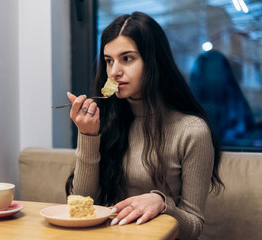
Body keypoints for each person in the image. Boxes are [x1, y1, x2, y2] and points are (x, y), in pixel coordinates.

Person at [65, 12, 223, 240]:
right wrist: (87, 135)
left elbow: (194, 228)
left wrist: (162, 203)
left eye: (127, 58)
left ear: (153, 61)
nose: (114, 72)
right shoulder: (107, 119)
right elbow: (82, 204)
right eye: (109, 61)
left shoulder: (192, 130)